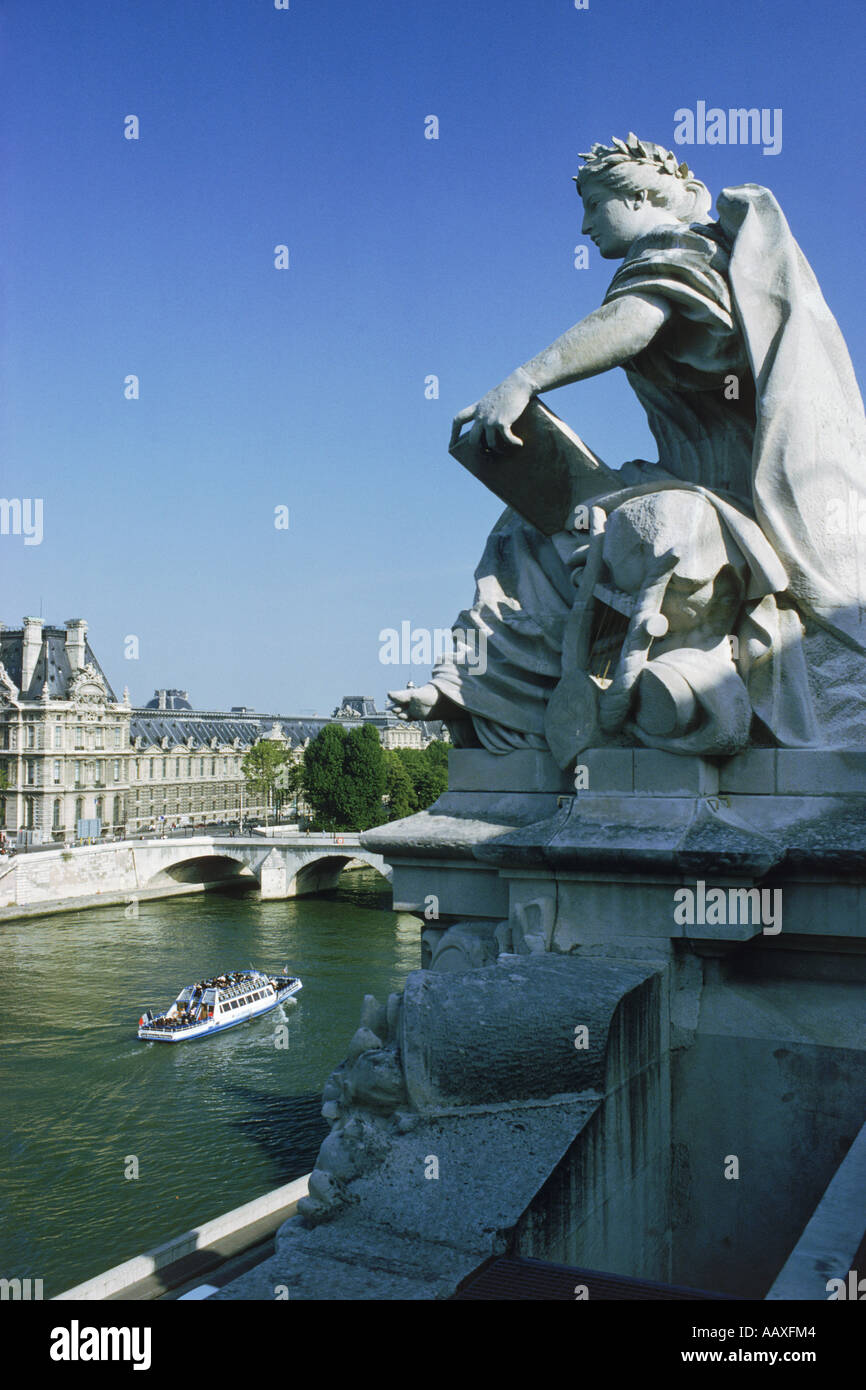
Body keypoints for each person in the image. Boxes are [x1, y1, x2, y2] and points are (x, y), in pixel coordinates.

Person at [389, 135, 866, 759]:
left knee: (621, 529)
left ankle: (599, 688)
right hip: (679, 477)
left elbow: (632, 322)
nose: (585, 225)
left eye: (594, 205)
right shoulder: (677, 262)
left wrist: (524, 379)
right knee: (525, 529)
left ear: (641, 196)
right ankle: (477, 688)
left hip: (738, 501)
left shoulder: (684, 250)